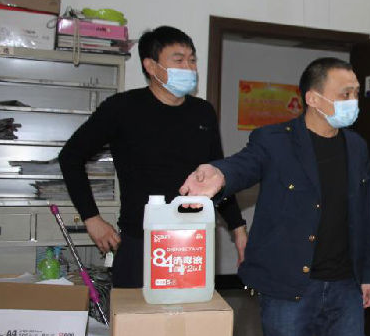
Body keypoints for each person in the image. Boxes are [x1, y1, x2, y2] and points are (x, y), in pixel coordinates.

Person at [179, 57, 370, 336]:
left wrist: (369, 272)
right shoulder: (274, 140)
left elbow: (365, 213)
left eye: (356, 93)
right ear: (314, 98)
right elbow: (244, 164)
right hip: (289, 286)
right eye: (345, 93)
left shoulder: (357, 147)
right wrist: (219, 174)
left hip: (344, 284)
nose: (353, 101)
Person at [58, 26, 247, 288]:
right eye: (179, 60)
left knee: (192, 313)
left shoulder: (203, 112)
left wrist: (238, 228)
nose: (189, 68)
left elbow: (217, 175)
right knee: (135, 313)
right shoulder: (122, 108)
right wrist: (91, 218)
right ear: (151, 66)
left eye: (192, 60)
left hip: (193, 241)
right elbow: (70, 157)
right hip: (140, 241)